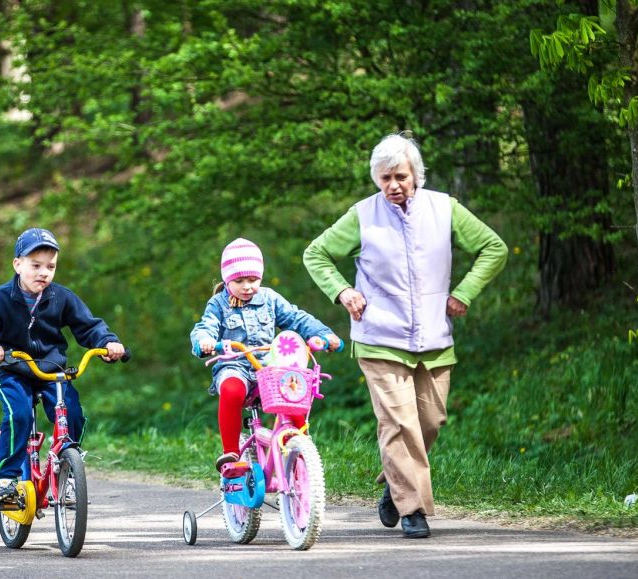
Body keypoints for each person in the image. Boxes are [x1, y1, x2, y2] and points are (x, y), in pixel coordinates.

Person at [303, 132, 507, 539]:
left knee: (429, 421)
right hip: (379, 336)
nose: (393, 185)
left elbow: (493, 247)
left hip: (433, 338)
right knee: (399, 424)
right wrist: (343, 291)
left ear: (416, 174)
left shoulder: (444, 208)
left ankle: (396, 484)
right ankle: (412, 508)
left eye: (399, 175)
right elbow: (316, 253)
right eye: (384, 178)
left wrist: (464, 292)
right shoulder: (363, 215)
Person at [0, 227, 126, 506]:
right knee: (19, 415)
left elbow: (89, 326)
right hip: (12, 369)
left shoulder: (61, 297)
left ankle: (68, 467)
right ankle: (7, 479)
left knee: (72, 412)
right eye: (35, 265)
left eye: (50, 266)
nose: (43, 272)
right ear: (17, 265)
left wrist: (108, 343)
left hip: (52, 371)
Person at [190, 238, 342, 472]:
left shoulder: (270, 299)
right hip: (235, 365)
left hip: (269, 368)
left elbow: (296, 318)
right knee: (231, 389)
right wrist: (205, 342)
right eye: (239, 281)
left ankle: (301, 444)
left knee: (294, 389)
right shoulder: (218, 304)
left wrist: (324, 334)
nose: (248, 286)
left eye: (253, 279)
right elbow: (205, 326)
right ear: (227, 279)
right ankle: (231, 453)